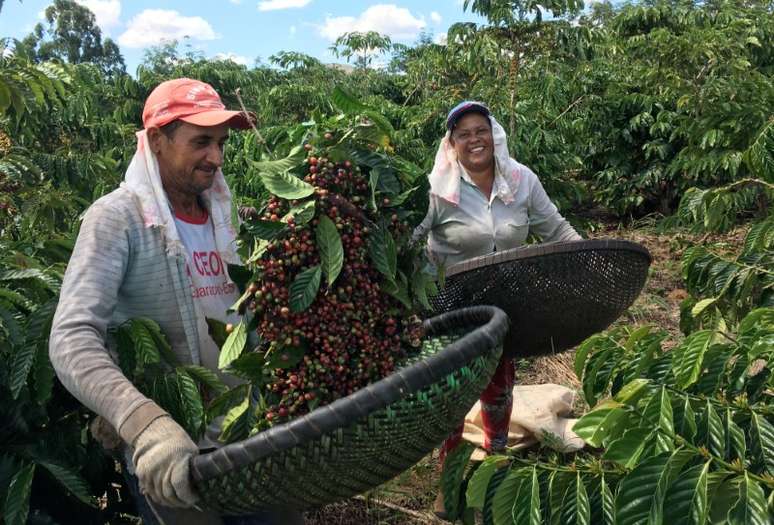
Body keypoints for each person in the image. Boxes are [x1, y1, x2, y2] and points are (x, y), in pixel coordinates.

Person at [49, 78, 301, 525]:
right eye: (201, 142)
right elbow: (71, 337)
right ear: (157, 140)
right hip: (177, 455)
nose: (217, 158)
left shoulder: (224, 215)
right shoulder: (118, 219)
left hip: (251, 438)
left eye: (221, 143)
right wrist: (144, 424)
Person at [412, 100, 581, 518]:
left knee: (499, 387)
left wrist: (586, 263)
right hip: (451, 306)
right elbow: (410, 243)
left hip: (506, 302)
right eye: (463, 133)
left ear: (494, 135)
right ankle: (447, 484)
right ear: (452, 144)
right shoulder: (436, 190)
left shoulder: (521, 181)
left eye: (480, 130)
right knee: (451, 397)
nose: (474, 140)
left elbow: (556, 229)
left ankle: (495, 468)